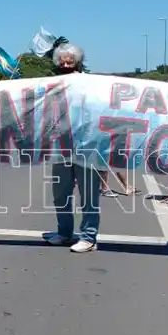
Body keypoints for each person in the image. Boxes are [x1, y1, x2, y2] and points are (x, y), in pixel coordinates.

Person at [42, 43, 101, 253]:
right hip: (60, 148)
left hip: (86, 147)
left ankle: (89, 237)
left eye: (70, 61)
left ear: (78, 62)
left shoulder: (90, 84)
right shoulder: (50, 84)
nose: (66, 64)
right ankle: (64, 233)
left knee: (89, 195)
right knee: (61, 194)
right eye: (62, 61)